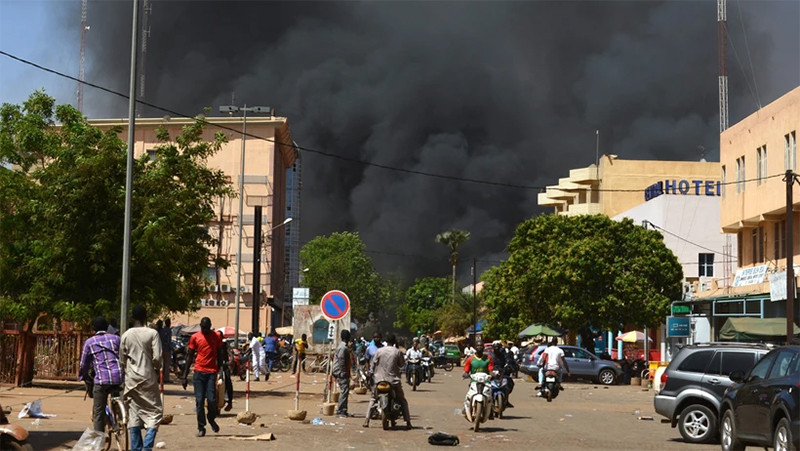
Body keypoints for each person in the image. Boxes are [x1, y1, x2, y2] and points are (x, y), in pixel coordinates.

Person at [120, 305, 162, 451]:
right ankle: (147, 447)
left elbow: (122, 359)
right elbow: (157, 357)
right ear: (146, 317)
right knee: (155, 412)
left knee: (134, 413)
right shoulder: (152, 334)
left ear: (133, 317)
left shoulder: (126, 335)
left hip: (131, 379)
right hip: (148, 377)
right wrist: (156, 368)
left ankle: (136, 448)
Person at [79, 316, 123, 433]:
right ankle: (118, 415)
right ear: (107, 327)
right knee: (115, 392)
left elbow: (83, 364)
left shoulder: (89, 342)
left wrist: (82, 376)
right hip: (118, 377)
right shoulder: (116, 339)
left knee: (98, 412)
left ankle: (99, 441)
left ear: (94, 328)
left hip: (101, 380)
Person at [182, 317, 222, 437]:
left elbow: (220, 352)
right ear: (200, 326)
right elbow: (189, 356)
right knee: (199, 401)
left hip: (211, 372)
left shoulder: (216, 336)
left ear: (210, 326)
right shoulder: (195, 337)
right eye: (203, 327)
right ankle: (201, 427)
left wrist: (221, 368)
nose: (205, 329)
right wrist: (184, 375)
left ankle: (211, 418)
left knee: (212, 400)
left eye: (207, 327)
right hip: (199, 372)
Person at [363, 334, 412, 430]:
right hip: (393, 381)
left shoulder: (379, 351)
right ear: (394, 342)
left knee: (373, 399)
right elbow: (401, 365)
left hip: (379, 380)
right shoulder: (397, 352)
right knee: (402, 400)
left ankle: (366, 420)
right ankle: (408, 422)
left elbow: (372, 366)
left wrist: (372, 373)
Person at [333, 329, 353, 418]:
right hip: (341, 373)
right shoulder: (343, 348)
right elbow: (341, 361)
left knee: (345, 391)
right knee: (344, 391)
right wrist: (343, 372)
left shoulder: (343, 347)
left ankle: (344, 410)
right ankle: (340, 411)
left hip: (342, 372)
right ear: (348, 338)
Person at [491, 342, 515, 408]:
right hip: (492, 374)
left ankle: (506, 400)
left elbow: (508, 362)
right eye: (495, 347)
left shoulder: (503, 355)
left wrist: (509, 367)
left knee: (509, 382)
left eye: (498, 347)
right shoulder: (490, 356)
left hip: (502, 373)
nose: (497, 349)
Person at [216, 330, 234, 412]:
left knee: (228, 381)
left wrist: (230, 361)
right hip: (215, 366)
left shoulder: (225, 345)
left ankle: (229, 402)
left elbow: (230, 353)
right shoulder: (213, 344)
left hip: (224, 365)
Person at [157, 318, 173, 383]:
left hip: (160, 349)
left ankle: (159, 378)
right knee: (167, 365)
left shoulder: (160, 331)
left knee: (161, 365)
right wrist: (171, 348)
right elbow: (169, 341)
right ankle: (166, 379)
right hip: (166, 350)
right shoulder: (169, 330)